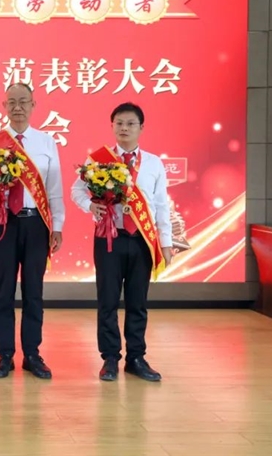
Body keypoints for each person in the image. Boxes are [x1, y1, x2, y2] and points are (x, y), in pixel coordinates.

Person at [70, 102, 172, 382]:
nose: (124, 128)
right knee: (108, 300)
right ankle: (110, 359)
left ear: (141, 127)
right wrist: (90, 206)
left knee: (138, 302)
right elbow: (76, 191)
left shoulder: (153, 163)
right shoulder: (98, 160)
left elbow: (161, 205)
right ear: (112, 126)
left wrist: (165, 243)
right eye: (119, 123)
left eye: (130, 123)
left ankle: (136, 358)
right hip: (109, 238)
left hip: (141, 241)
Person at [0, 83, 65, 380]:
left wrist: (57, 226)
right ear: (4, 106)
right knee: (3, 291)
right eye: (12, 102)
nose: (18, 107)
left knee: (33, 292)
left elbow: (54, 188)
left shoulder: (46, 142)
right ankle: (4, 355)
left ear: (33, 105)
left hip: (36, 224)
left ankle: (32, 354)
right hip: (3, 223)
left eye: (23, 102)